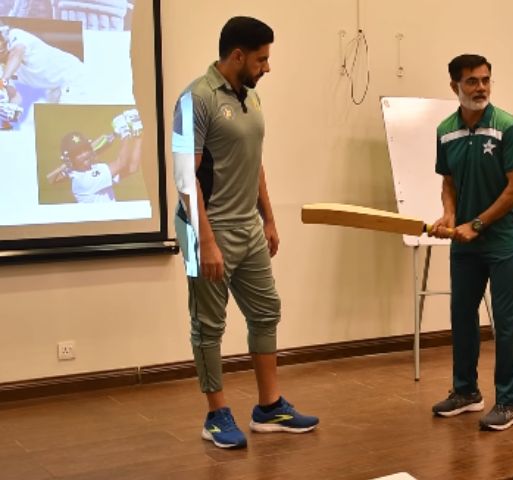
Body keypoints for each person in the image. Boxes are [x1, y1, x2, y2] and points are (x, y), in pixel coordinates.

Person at [171, 16, 318, 450]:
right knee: (208, 325)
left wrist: (268, 218)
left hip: (248, 227)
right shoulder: (195, 100)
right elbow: (185, 177)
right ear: (237, 55)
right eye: (261, 59)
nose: (267, 68)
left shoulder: (251, 96)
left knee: (266, 311)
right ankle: (216, 415)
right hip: (206, 229)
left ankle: (269, 407)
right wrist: (206, 240)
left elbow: (255, 162)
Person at [430, 54, 513, 431]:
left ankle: (509, 402)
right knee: (461, 315)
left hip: (503, 239)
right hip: (465, 241)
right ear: (454, 85)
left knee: (505, 321)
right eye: (472, 81)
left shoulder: (508, 126)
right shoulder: (445, 130)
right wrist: (449, 214)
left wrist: (476, 223)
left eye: (486, 80)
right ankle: (466, 392)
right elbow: (449, 182)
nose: (481, 88)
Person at [50, 108, 142, 203]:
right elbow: (121, 164)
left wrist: (138, 134)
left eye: (85, 149)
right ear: (70, 159)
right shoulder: (82, 181)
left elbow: (133, 168)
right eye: (78, 153)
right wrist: (125, 133)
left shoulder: (97, 168)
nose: (85, 155)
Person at [0, 19, 88, 105]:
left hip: (72, 75)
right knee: (51, 115)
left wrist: (2, 82)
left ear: (4, 34)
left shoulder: (16, 35)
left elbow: (17, 53)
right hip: (54, 87)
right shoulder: (2, 71)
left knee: (66, 114)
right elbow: (15, 97)